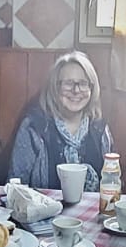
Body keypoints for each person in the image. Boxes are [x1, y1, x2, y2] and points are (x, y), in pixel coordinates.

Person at [9, 50, 114, 191]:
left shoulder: (100, 129)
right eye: (68, 83)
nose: (76, 90)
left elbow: (112, 182)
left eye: (83, 83)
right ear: (54, 88)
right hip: (42, 205)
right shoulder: (34, 128)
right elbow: (15, 185)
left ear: (92, 88)